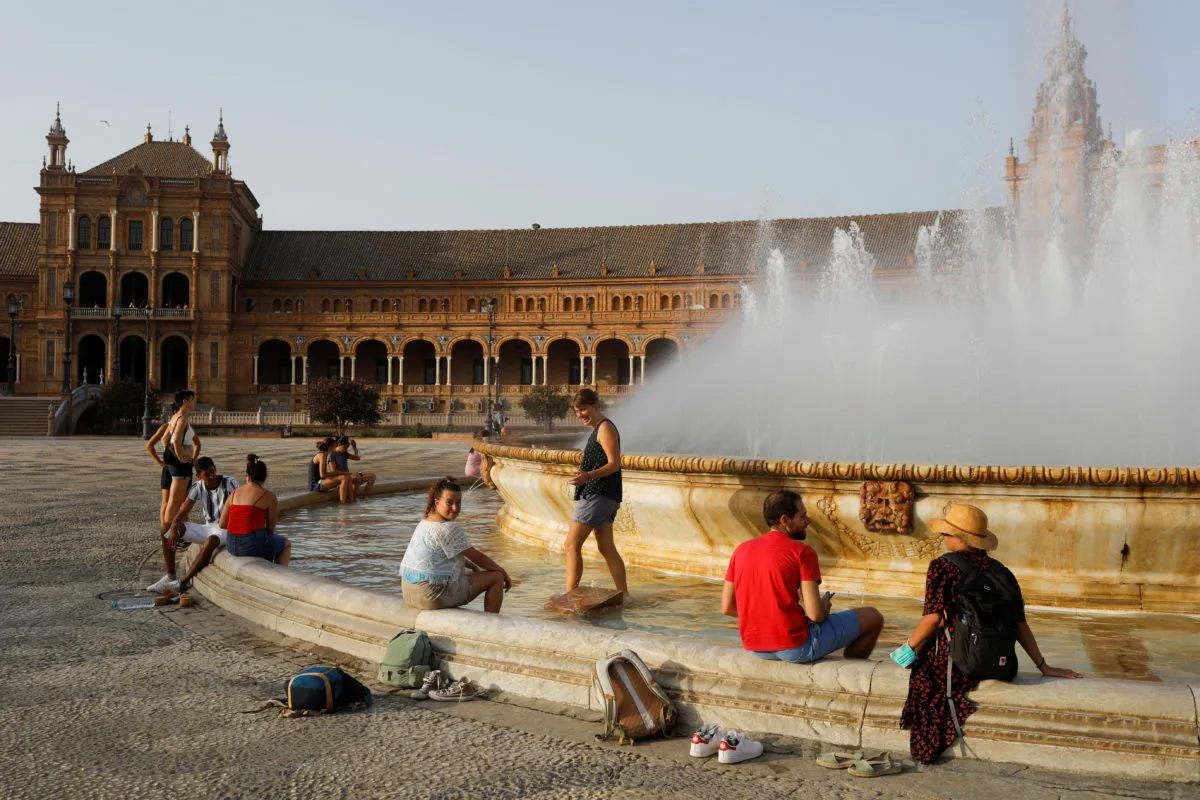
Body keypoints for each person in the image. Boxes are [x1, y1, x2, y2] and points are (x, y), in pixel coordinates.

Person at [896, 503, 1081, 764]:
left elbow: (932, 618)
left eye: (945, 534)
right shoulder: (1002, 572)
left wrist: (907, 648)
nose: (943, 538)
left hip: (957, 663)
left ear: (958, 537)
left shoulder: (942, 567)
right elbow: (1019, 624)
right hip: (996, 662)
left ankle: (926, 744)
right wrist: (1043, 665)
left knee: (924, 670)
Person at [722, 489, 884, 663]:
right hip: (796, 646)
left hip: (755, 647)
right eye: (803, 516)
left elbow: (727, 607)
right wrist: (824, 606)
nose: (809, 521)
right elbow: (816, 615)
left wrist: (766, 618)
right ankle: (853, 672)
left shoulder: (741, 550)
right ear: (785, 520)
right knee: (873, 617)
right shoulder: (801, 552)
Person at [399, 477, 510, 613]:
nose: (455, 508)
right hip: (430, 596)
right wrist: (503, 572)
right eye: (449, 503)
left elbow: (440, 555)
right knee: (496, 577)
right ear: (437, 502)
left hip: (408, 592)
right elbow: (479, 558)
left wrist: (469, 564)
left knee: (469, 573)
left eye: (458, 502)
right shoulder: (448, 528)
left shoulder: (425, 522)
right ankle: (492, 625)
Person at [564, 388, 628, 595]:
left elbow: (614, 464)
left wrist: (587, 477)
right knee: (606, 548)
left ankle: (571, 594)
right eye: (576, 411)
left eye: (583, 409)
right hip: (605, 494)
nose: (579, 415)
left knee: (571, 544)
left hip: (598, 494)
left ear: (596, 406)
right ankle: (623, 594)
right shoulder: (599, 429)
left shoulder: (605, 428)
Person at [146, 457, 237, 592]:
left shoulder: (230, 483)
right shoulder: (198, 486)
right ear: (198, 475)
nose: (212, 476)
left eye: (213, 471)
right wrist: (174, 526)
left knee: (211, 540)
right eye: (207, 474)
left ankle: (183, 582)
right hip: (208, 527)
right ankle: (170, 576)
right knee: (165, 527)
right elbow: (184, 509)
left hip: (225, 529)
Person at [219, 454, 289, 564]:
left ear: (247, 476)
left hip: (231, 545)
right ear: (265, 477)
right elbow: (271, 529)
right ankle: (282, 576)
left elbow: (222, 524)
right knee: (286, 543)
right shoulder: (269, 496)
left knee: (265, 539)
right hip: (250, 545)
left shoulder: (234, 493)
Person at [161, 390, 200, 527]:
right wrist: (180, 456)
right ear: (185, 402)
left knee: (176, 501)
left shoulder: (175, 417)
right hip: (180, 466)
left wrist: (174, 452)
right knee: (175, 501)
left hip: (176, 465)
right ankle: (168, 535)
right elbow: (176, 439)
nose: (195, 402)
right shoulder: (182, 418)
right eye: (193, 400)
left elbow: (165, 439)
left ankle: (176, 532)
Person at [309, 438, 353, 503]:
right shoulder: (322, 456)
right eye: (335, 446)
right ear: (330, 447)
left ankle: (351, 501)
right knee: (344, 478)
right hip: (315, 485)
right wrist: (335, 473)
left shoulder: (325, 455)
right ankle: (343, 504)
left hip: (321, 482)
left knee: (348, 477)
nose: (336, 448)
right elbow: (322, 475)